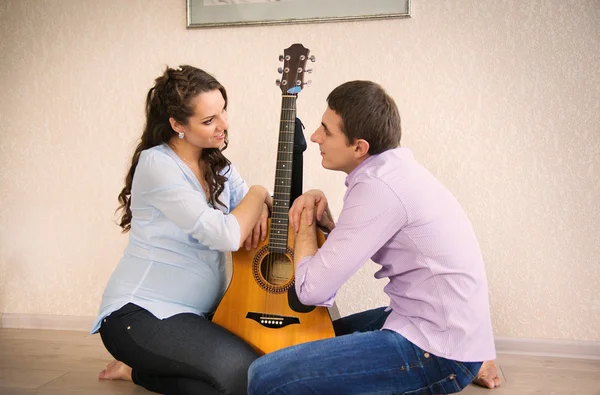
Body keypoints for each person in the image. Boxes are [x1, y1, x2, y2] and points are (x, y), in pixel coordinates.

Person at [247, 80, 501, 394]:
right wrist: (326, 223)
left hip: (438, 351)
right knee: (310, 336)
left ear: (359, 147)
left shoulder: (378, 188)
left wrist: (306, 223)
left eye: (326, 130)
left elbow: (311, 291)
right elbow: (359, 246)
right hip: (439, 327)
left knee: (264, 376)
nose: (314, 137)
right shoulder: (392, 170)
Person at [90, 65, 272, 395]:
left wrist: (264, 205)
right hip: (139, 315)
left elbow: (258, 217)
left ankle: (136, 373)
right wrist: (258, 192)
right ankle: (138, 360)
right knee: (245, 375)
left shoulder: (219, 165)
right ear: (177, 125)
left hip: (198, 316)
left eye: (223, 111)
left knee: (241, 378)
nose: (224, 125)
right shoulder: (158, 164)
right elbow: (228, 234)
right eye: (209, 120)